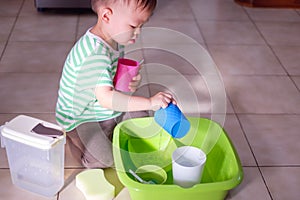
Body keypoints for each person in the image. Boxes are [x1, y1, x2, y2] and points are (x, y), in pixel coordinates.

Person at [55, 0, 176, 168]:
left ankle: (114, 134)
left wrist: (129, 82)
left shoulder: (114, 40)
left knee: (141, 115)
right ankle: (79, 147)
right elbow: (106, 99)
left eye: (142, 26)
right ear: (106, 16)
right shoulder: (95, 54)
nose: (138, 32)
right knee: (106, 158)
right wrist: (149, 101)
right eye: (133, 26)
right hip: (83, 119)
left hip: (101, 107)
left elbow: (109, 80)